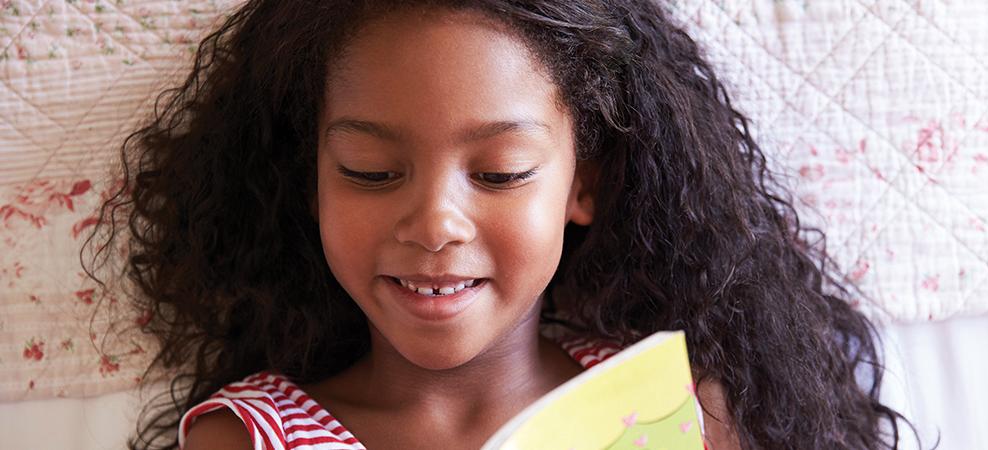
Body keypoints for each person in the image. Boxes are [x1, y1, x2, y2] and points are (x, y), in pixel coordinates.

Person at [88, 0, 919, 449]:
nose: (436, 222)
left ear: (581, 185)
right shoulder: (248, 442)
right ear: (309, 182)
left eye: (499, 173)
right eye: (371, 173)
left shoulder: (677, 413)